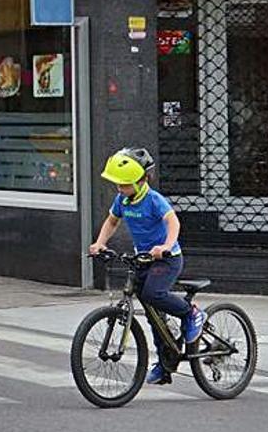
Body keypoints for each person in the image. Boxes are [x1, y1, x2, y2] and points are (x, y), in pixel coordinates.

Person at [88, 147, 207, 386]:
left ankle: (191, 313)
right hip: (143, 259)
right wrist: (100, 243)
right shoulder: (122, 200)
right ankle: (165, 365)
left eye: (125, 184)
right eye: (118, 185)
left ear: (142, 180)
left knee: (154, 294)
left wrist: (166, 245)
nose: (120, 189)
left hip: (167, 259)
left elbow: (173, 222)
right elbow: (112, 222)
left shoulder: (154, 200)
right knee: (153, 316)